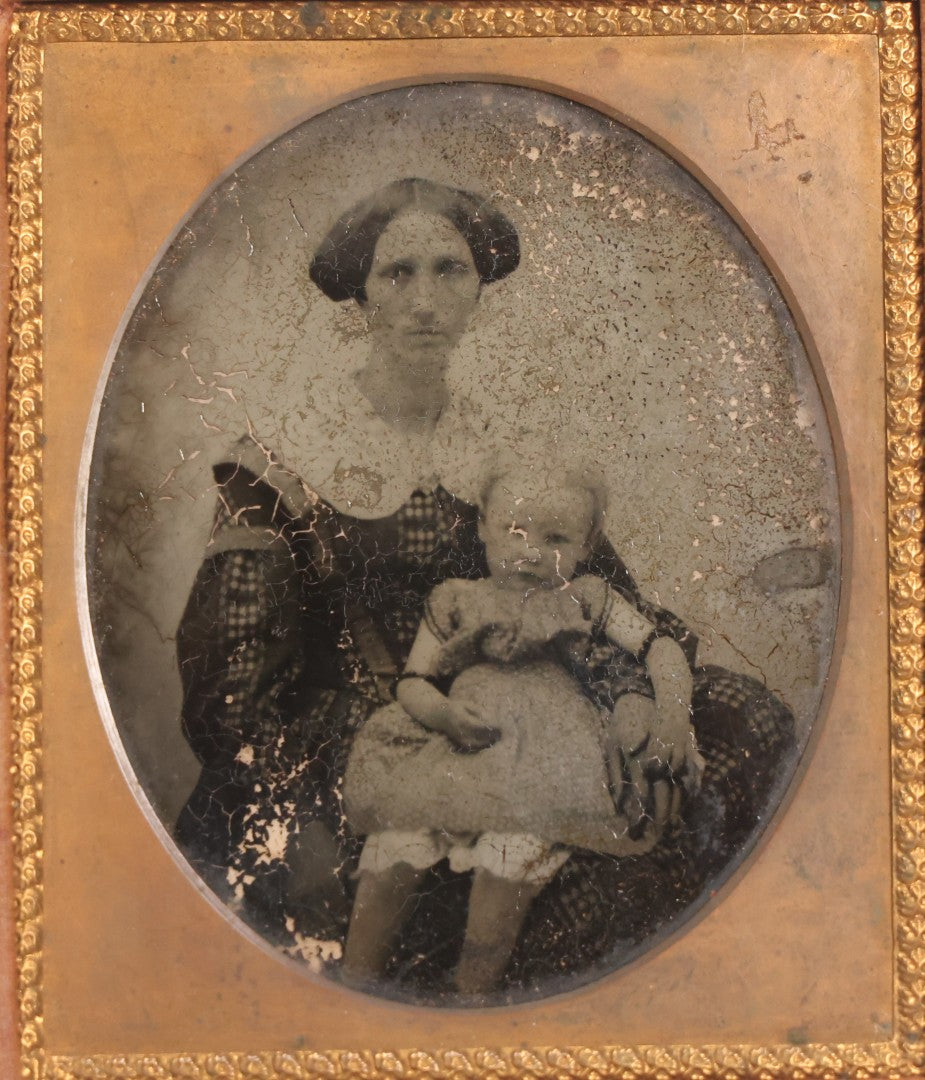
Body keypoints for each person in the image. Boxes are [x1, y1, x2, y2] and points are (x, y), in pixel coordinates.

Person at [173, 177, 794, 993]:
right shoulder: (286, 452)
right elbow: (233, 685)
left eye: (449, 270)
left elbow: (603, 597)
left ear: (477, 291)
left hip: (535, 700)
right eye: (397, 273)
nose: (424, 300)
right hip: (380, 719)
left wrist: (648, 704)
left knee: (745, 717)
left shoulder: (502, 446)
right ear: (360, 294)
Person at [341, 465, 702, 995]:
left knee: (505, 872)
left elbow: (661, 647)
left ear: (587, 544)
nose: (531, 552)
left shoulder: (586, 597)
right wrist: (443, 715)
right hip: (466, 740)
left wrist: (673, 713)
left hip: (548, 754)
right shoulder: (456, 598)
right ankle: (352, 988)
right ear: (482, 526)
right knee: (396, 845)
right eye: (514, 531)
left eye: (556, 539)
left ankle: (472, 1000)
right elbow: (413, 682)